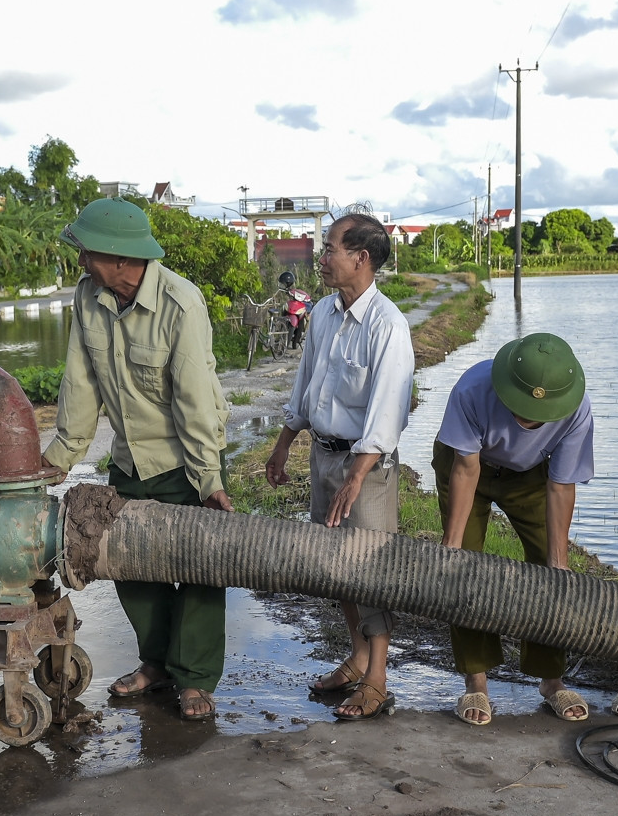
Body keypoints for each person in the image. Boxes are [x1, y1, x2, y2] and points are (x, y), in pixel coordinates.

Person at [40, 198, 233, 721]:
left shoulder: (180, 304)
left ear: (121, 259)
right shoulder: (89, 297)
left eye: (86, 251)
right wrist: (61, 456)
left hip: (186, 460)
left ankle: (193, 679)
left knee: (199, 569)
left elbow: (194, 400)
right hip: (129, 461)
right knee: (126, 564)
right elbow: (80, 382)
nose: (79, 260)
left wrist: (209, 479)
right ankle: (156, 663)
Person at [265, 215, 414, 721]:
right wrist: (285, 441)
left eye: (329, 249)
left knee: (371, 570)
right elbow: (308, 384)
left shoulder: (387, 325)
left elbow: (388, 410)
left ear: (361, 258)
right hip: (323, 455)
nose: (320, 258)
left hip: (365, 468)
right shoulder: (325, 313)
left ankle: (377, 678)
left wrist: (356, 475)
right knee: (334, 569)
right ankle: (356, 657)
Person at [433, 333, 595, 726]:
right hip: (468, 464)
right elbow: (465, 468)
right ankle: (476, 679)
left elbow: (561, 485)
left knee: (551, 567)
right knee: (464, 563)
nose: (527, 419)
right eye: (520, 407)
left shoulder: (576, 410)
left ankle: (551, 679)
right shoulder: (473, 388)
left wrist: (558, 560)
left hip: (531, 477)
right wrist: (451, 547)